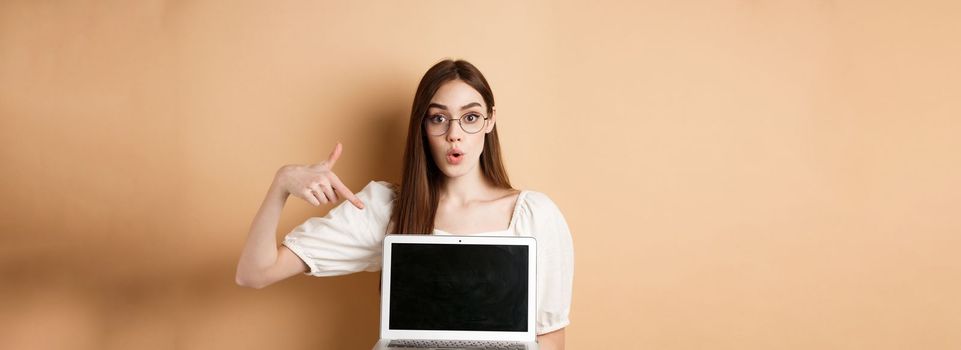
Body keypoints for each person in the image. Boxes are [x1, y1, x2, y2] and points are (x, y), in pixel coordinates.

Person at [235, 59, 574, 349]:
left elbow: (551, 339)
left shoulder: (535, 215)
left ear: (489, 121)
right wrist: (281, 183)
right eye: (438, 118)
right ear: (422, 127)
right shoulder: (386, 209)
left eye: (470, 118)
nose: (454, 134)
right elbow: (255, 273)